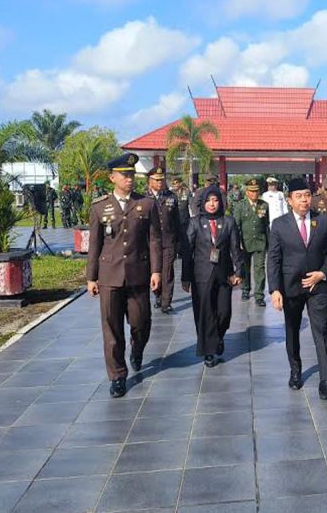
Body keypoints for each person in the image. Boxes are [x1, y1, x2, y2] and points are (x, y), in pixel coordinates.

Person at [86, 153, 162, 398]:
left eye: (131, 175)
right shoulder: (99, 207)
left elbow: (154, 240)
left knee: (141, 323)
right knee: (112, 329)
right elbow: (95, 245)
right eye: (124, 175)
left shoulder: (146, 204)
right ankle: (117, 375)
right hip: (110, 276)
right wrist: (91, 277)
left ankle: (137, 350)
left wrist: (156, 270)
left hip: (138, 274)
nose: (129, 179)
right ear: (112, 178)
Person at [268, 178, 327, 400]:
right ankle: (295, 370)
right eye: (299, 196)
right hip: (291, 287)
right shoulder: (279, 224)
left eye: (307, 195)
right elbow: (273, 258)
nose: (304, 200)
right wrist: (274, 289)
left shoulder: (322, 221)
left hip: (317, 286)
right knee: (292, 330)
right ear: (290, 200)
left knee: (321, 330)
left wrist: (323, 273)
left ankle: (326, 381)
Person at [182, 185, 244, 368]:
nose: (212, 204)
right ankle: (208, 350)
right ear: (203, 203)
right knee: (205, 312)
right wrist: (185, 277)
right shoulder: (194, 223)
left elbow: (235, 248)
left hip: (224, 274)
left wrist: (239, 271)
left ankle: (218, 336)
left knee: (224, 312)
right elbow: (187, 252)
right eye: (208, 200)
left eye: (215, 200)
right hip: (201, 274)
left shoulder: (229, 222)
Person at [146, 166, 181, 314]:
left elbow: (177, 221)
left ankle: (166, 302)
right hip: (149, 242)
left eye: (162, 180)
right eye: (157, 180)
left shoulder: (171, 197)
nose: (160, 182)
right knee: (154, 270)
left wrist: (178, 241)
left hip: (168, 241)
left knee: (167, 272)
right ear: (149, 181)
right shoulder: (142, 198)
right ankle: (158, 295)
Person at [234, 178, 270, 306]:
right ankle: (245, 289)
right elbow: (236, 226)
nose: (255, 194)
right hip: (245, 242)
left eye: (256, 191)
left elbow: (266, 224)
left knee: (260, 269)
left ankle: (259, 295)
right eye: (252, 191)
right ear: (247, 192)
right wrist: (237, 243)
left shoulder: (264, 205)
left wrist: (269, 243)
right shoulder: (240, 206)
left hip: (260, 242)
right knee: (245, 267)